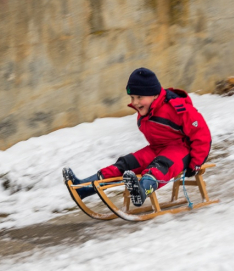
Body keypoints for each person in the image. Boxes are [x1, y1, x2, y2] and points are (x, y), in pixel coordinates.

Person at [63, 67, 211, 207]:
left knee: (160, 166)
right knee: (126, 163)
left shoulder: (177, 108)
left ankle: (141, 192)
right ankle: (83, 187)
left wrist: (195, 164)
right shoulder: (147, 109)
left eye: (139, 97)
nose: (134, 103)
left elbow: (202, 135)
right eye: (132, 97)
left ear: (154, 94)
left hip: (181, 149)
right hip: (157, 148)